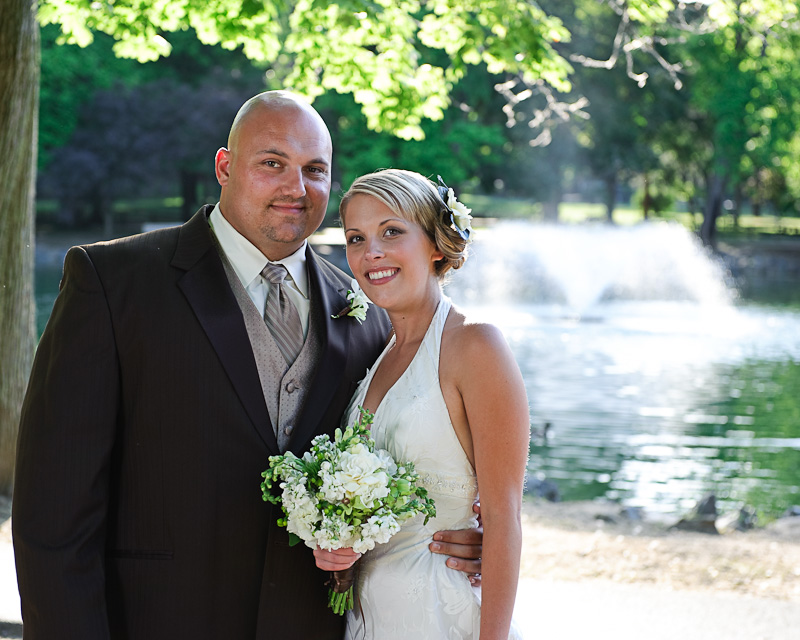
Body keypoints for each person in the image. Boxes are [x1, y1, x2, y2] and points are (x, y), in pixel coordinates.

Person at [12, 92, 483, 640]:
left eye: (314, 170)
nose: (295, 187)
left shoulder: (367, 313)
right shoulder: (113, 283)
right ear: (225, 166)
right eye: (272, 163)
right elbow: (54, 515)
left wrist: (458, 535)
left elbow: (407, 457)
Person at [315, 169, 530, 639]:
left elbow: (502, 514)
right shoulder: (376, 354)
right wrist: (337, 547)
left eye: (392, 231)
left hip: (442, 614)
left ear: (436, 243)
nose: (371, 252)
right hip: (369, 619)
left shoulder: (476, 346)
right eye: (356, 238)